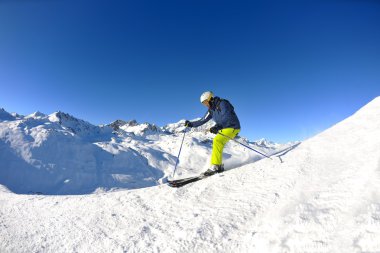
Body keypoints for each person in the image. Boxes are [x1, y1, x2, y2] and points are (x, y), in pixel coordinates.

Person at [185, 91, 241, 176]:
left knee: (217, 140)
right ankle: (218, 165)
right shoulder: (211, 110)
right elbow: (202, 120)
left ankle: (216, 166)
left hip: (232, 126)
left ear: (211, 98)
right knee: (217, 142)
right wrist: (191, 124)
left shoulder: (222, 103)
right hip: (224, 128)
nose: (205, 104)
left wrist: (217, 127)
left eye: (206, 102)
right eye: (203, 103)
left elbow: (226, 116)